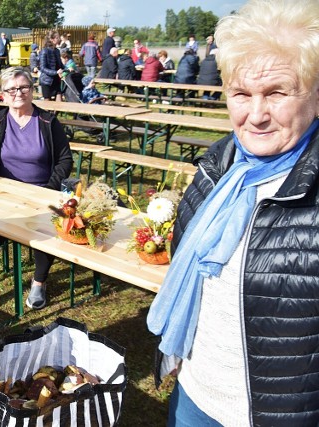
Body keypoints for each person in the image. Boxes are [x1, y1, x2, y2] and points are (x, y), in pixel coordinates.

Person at [146, 1, 319, 425]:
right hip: (195, 394)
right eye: (242, 94)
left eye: (276, 92)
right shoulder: (218, 165)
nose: (255, 115)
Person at [0, 67, 72, 323]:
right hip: (5, 195)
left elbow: (65, 159)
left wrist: (48, 189)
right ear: (3, 95)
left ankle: (39, 282)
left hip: (43, 191)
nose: (18, 93)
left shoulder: (48, 121)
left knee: (45, 233)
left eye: (24, 87)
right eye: (12, 89)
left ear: (32, 90)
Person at [39, 30, 64, 101]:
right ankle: (49, 112)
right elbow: (42, 68)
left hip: (56, 79)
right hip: (46, 80)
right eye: (57, 37)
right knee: (47, 103)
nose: (58, 39)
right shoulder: (44, 51)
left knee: (59, 100)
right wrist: (55, 72)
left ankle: (56, 112)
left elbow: (60, 65)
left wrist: (67, 68)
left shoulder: (57, 51)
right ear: (51, 39)